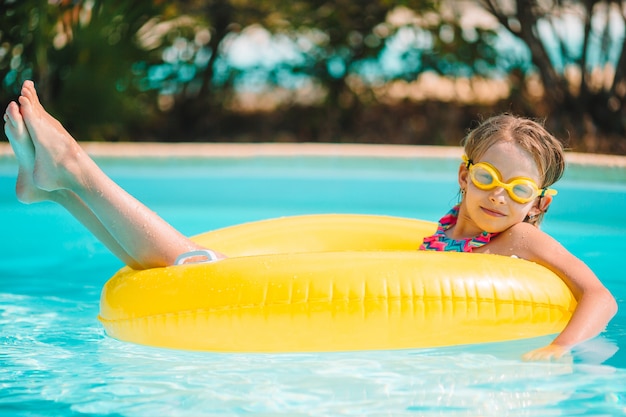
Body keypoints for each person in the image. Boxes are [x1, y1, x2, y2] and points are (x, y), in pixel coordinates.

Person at [3, 80, 617, 361]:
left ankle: (76, 172)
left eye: (517, 189)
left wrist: (559, 350)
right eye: (486, 178)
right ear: (463, 176)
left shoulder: (520, 239)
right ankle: (58, 189)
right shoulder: (442, 233)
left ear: (537, 202)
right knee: (178, 264)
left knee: (187, 265)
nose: (498, 198)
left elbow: (600, 296)